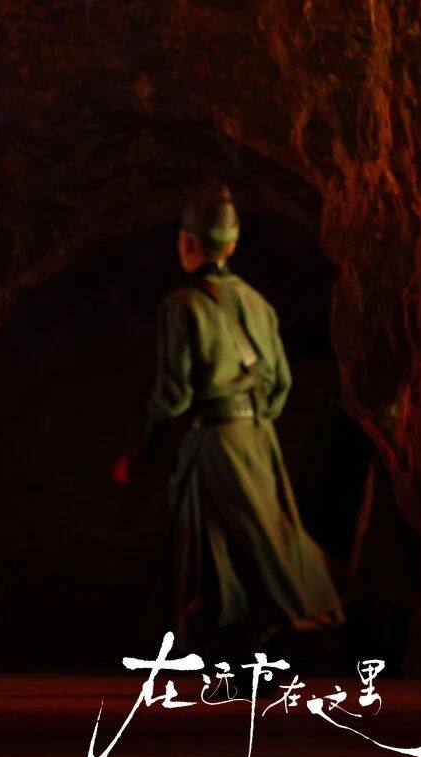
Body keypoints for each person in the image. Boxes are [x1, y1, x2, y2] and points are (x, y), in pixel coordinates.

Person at [114, 184, 343, 656]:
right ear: (233, 245)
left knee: (221, 551)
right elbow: (280, 382)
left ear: (188, 243)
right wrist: (254, 423)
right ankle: (264, 644)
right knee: (265, 535)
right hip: (259, 439)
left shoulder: (181, 307)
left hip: (215, 444)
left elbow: (172, 396)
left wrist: (142, 452)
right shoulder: (259, 304)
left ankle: (244, 646)